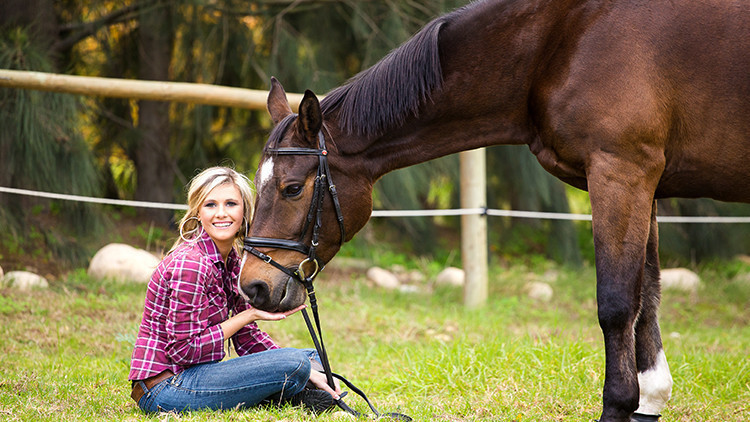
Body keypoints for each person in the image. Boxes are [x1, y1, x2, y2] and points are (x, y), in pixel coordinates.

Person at [128, 166, 341, 414]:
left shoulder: (232, 262)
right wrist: (249, 316)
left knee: (311, 357)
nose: (221, 213)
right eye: (210, 205)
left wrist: (309, 369)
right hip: (167, 388)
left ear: (245, 211)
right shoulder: (192, 264)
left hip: (198, 376)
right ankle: (290, 391)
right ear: (198, 211)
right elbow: (183, 351)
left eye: (231, 204)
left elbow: (247, 338)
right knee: (296, 363)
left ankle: (297, 388)